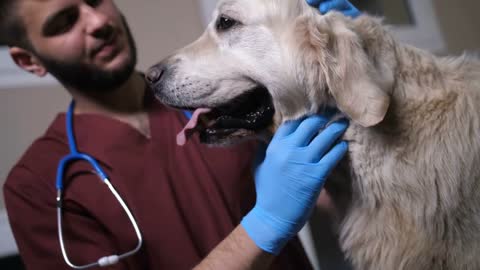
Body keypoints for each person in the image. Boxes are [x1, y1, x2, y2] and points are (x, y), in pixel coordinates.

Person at [1, 0, 358, 269]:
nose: (97, 22)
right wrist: (265, 225)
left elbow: (327, 192)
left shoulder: (223, 101)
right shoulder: (36, 186)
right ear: (29, 61)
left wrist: (345, 67)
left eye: (95, 0)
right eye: (65, 22)